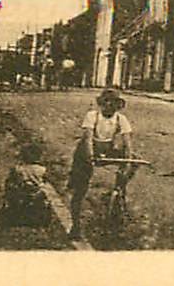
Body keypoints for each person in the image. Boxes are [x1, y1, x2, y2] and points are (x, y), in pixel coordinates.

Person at [68, 88, 135, 239]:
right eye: (106, 103)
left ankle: (119, 187)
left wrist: (128, 163)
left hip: (106, 149)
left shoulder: (120, 119)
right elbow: (87, 139)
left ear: (118, 106)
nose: (109, 106)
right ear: (101, 103)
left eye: (113, 104)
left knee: (134, 159)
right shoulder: (92, 116)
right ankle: (75, 226)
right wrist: (90, 157)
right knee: (80, 189)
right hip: (87, 151)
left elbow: (127, 142)